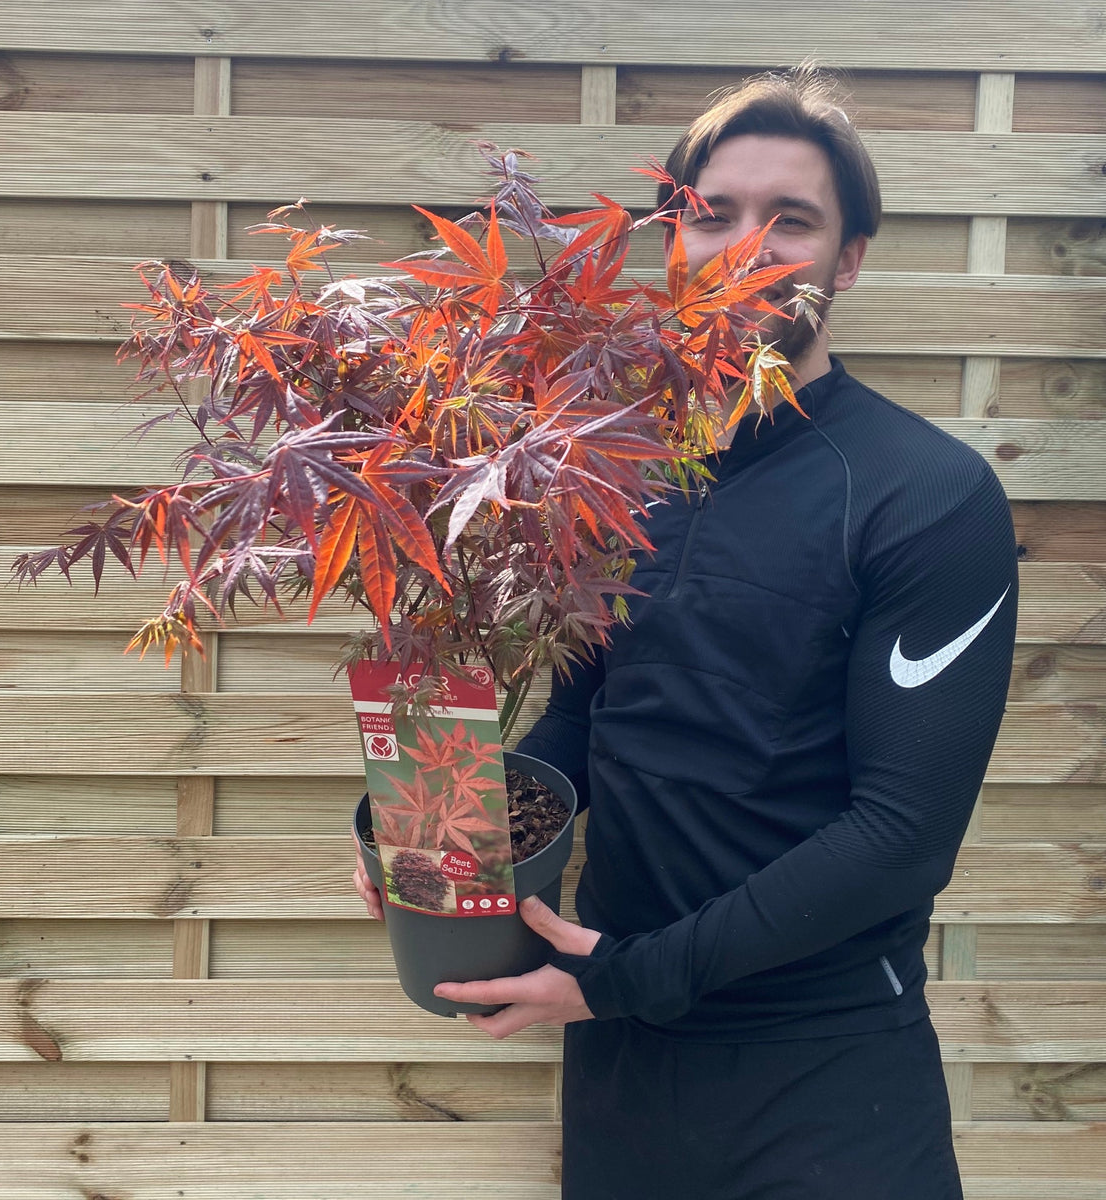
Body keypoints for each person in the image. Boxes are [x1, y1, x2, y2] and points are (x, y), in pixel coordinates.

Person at [354, 68, 1018, 1199]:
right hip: (624, 1064)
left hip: (826, 1074)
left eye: (791, 220)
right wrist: (437, 830)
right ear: (673, 236)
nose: (744, 246)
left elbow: (905, 834)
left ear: (848, 260)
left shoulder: (925, 495)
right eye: (713, 214)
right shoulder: (624, 472)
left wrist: (628, 977)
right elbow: (584, 711)